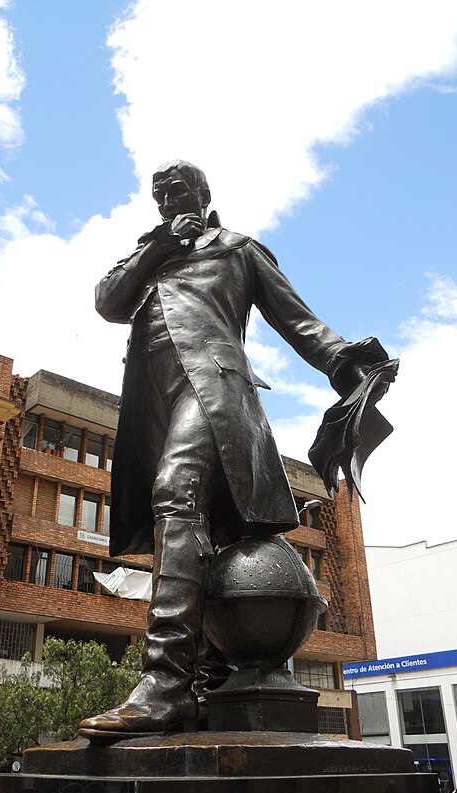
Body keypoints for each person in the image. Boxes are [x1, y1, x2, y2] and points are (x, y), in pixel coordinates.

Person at [79, 160, 394, 737]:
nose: (170, 198)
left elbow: (298, 322)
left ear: (204, 193)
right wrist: (155, 249)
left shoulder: (237, 248)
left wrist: (342, 358)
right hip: (157, 403)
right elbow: (109, 301)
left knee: (176, 491)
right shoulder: (148, 258)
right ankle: (207, 682)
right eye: (160, 193)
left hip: (216, 390)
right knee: (200, 525)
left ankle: (164, 684)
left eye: (179, 188)